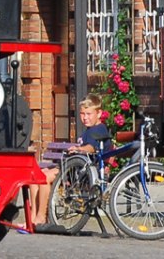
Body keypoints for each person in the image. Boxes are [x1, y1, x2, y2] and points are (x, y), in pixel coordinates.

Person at [26, 97, 110, 231]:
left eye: (89, 114)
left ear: (99, 113)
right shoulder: (89, 130)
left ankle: (41, 217)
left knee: (44, 178)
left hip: (81, 173)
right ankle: (33, 217)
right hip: (73, 168)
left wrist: (79, 149)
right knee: (34, 177)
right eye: (82, 114)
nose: (85, 118)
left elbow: (92, 148)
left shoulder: (99, 129)